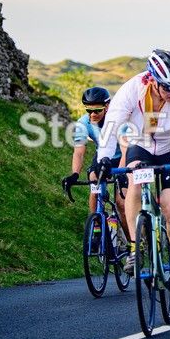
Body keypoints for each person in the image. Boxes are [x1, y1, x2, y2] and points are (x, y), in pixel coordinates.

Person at [93, 49, 170, 300]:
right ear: (151, 79)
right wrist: (103, 159)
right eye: (168, 87)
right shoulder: (132, 89)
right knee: (135, 184)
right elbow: (112, 125)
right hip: (141, 145)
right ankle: (135, 248)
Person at [61, 87, 129, 245]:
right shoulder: (83, 123)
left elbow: (126, 150)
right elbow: (79, 152)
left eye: (97, 110)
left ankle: (133, 243)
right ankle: (97, 227)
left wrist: (121, 173)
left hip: (124, 156)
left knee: (121, 204)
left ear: (107, 107)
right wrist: (74, 174)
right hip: (103, 156)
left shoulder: (118, 120)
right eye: (89, 110)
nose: (92, 115)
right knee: (93, 181)